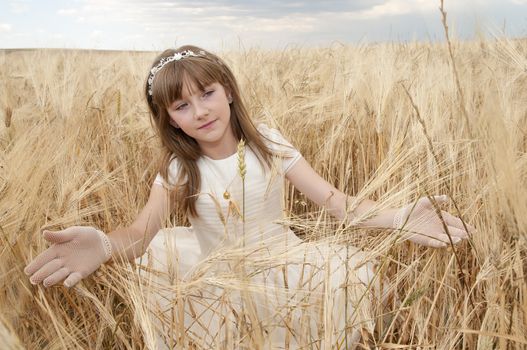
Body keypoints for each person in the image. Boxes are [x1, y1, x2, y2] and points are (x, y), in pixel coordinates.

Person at [24, 45, 475, 348]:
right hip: (214, 280)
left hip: (288, 269)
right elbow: (142, 232)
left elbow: (336, 202)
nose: (199, 111)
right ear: (169, 120)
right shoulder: (180, 167)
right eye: (182, 106)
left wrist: (397, 216)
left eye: (207, 94)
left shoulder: (271, 146)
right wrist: (103, 244)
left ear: (229, 90)